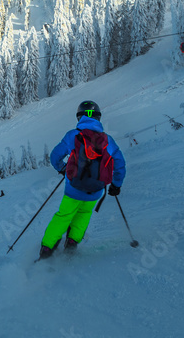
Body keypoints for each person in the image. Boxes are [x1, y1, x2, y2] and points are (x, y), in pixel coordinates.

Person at [39, 100, 126, 259]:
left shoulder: (73, 135)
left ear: (80, 117)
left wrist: (62, 169)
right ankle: (71, 245)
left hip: (73, 188)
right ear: (98, 117)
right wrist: (116, 185)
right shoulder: (108, 140)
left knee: (63, 216)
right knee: (84, 214)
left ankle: (47, 249)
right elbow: (120, 163)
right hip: (96, 190)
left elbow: (54, 157)